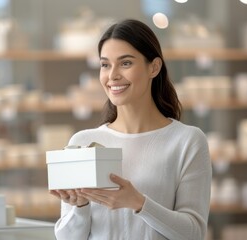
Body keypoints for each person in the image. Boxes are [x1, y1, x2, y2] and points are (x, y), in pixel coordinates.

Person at [49, 19, 212, 240]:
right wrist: (80, 207)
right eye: (105, 64)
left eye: (125, 63)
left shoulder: (187, 141)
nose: (112, 75)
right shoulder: (83, 141)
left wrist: (139, 203)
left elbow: (194, 233)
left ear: (154, 67)